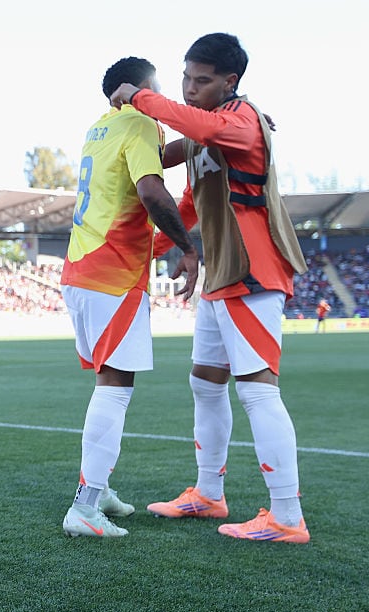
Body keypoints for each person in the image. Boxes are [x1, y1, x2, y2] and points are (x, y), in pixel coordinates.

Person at [110, 33, 311, 543]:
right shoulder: (208, 135)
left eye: (202, 80)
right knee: (205, 383)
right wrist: (145, 249)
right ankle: (208, 494)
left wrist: (137, 95)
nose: (190, 88)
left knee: (259, 392)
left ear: (230, 82)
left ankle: (287, 517)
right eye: (186, 78)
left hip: (252, 273)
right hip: (222, 278)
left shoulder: (240, 121)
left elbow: (190, 124)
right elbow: (189, 201)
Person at [59, 57, 200, 539]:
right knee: (115, 389)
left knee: (111, 384)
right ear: (145, 88)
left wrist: (208, 136)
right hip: (113, 276)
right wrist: (187, 247)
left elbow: (157, 159)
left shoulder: (102, 127)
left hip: (82, 268)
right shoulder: (141, 121)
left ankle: (99, 486)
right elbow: (152, 191)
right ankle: (85, 504)